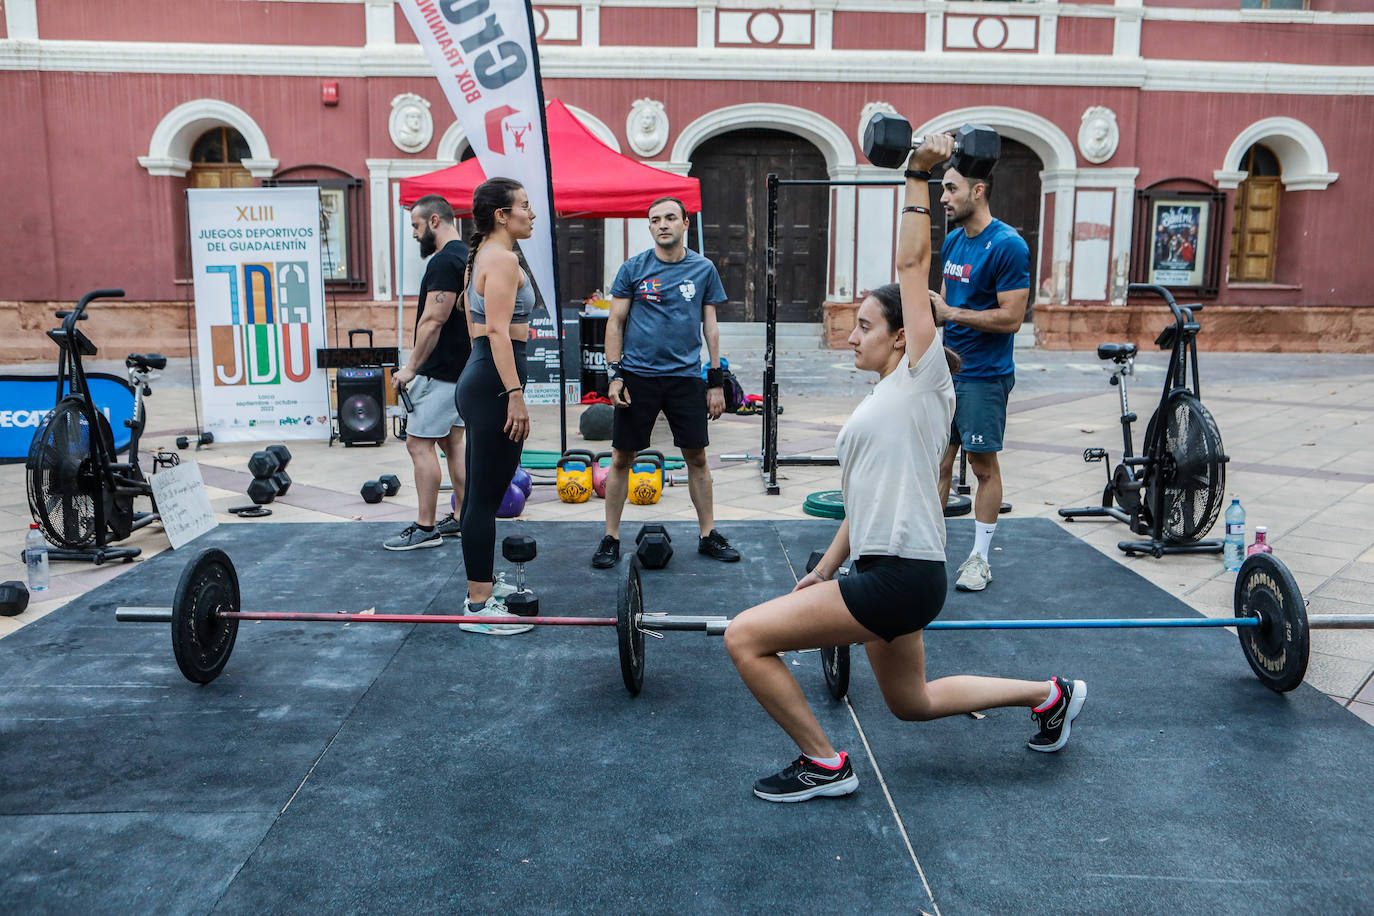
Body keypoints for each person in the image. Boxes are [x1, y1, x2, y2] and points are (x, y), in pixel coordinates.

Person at [723, 136, 1085, 804]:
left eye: (864, 325)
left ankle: (824, 764)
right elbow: (863, 508)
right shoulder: (884, 399)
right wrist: (824, 571)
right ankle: (1050, 694)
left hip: (899, 576)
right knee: (911, 702)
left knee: (745, 637)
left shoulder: (921, 378)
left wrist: (918, 175)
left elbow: (913, 262)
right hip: (890, 570)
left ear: (901, 335)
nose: (851, 336)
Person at [592, 197, 739, 569]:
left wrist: (716, 380)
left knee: (697, 457)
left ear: (685, 222)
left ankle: (708, 535)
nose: (662, 225)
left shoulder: (703, 269)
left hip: (686, 378)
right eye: (655, 219)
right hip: (638, 376)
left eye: (670, 218)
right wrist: (614, 375)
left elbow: (711, 327)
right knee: (623, 457)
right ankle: (610, 537)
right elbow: (615, 323)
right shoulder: (634, 268)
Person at [930, 163, 1030, 592]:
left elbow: (1011, 319)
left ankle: (979, 558)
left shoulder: (1009, 246)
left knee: (982, 466)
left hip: (984, 376)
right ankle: (927, 551)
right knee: (937, 461)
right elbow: (943, 305)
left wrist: (951, 314)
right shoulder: (953, 241)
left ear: (978, 191)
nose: (943, 198)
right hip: (947, 371)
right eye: (942, 189)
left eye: (951, 189)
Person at [453, 177, 537, 636]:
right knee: (484, 501)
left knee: (481, 497)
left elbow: (477, 332)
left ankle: (480, 587)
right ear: (502, 215)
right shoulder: (502, 259)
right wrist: (515, 396)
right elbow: (498, 333)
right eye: (524, 206)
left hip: (483, 378)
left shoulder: (482, 256)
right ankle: (479, 607)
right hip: (493, 384)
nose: (532, 213)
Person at [386, 194, 469, 552]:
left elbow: (434, 320)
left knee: (418, 444)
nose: (416, 234)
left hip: (443, 372)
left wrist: (410, 368)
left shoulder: (444, 261)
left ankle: (426, 527)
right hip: (463, 370)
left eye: (417, 227)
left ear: (435, 221)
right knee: (453, 444)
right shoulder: (465, 256)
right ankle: (464, 520)